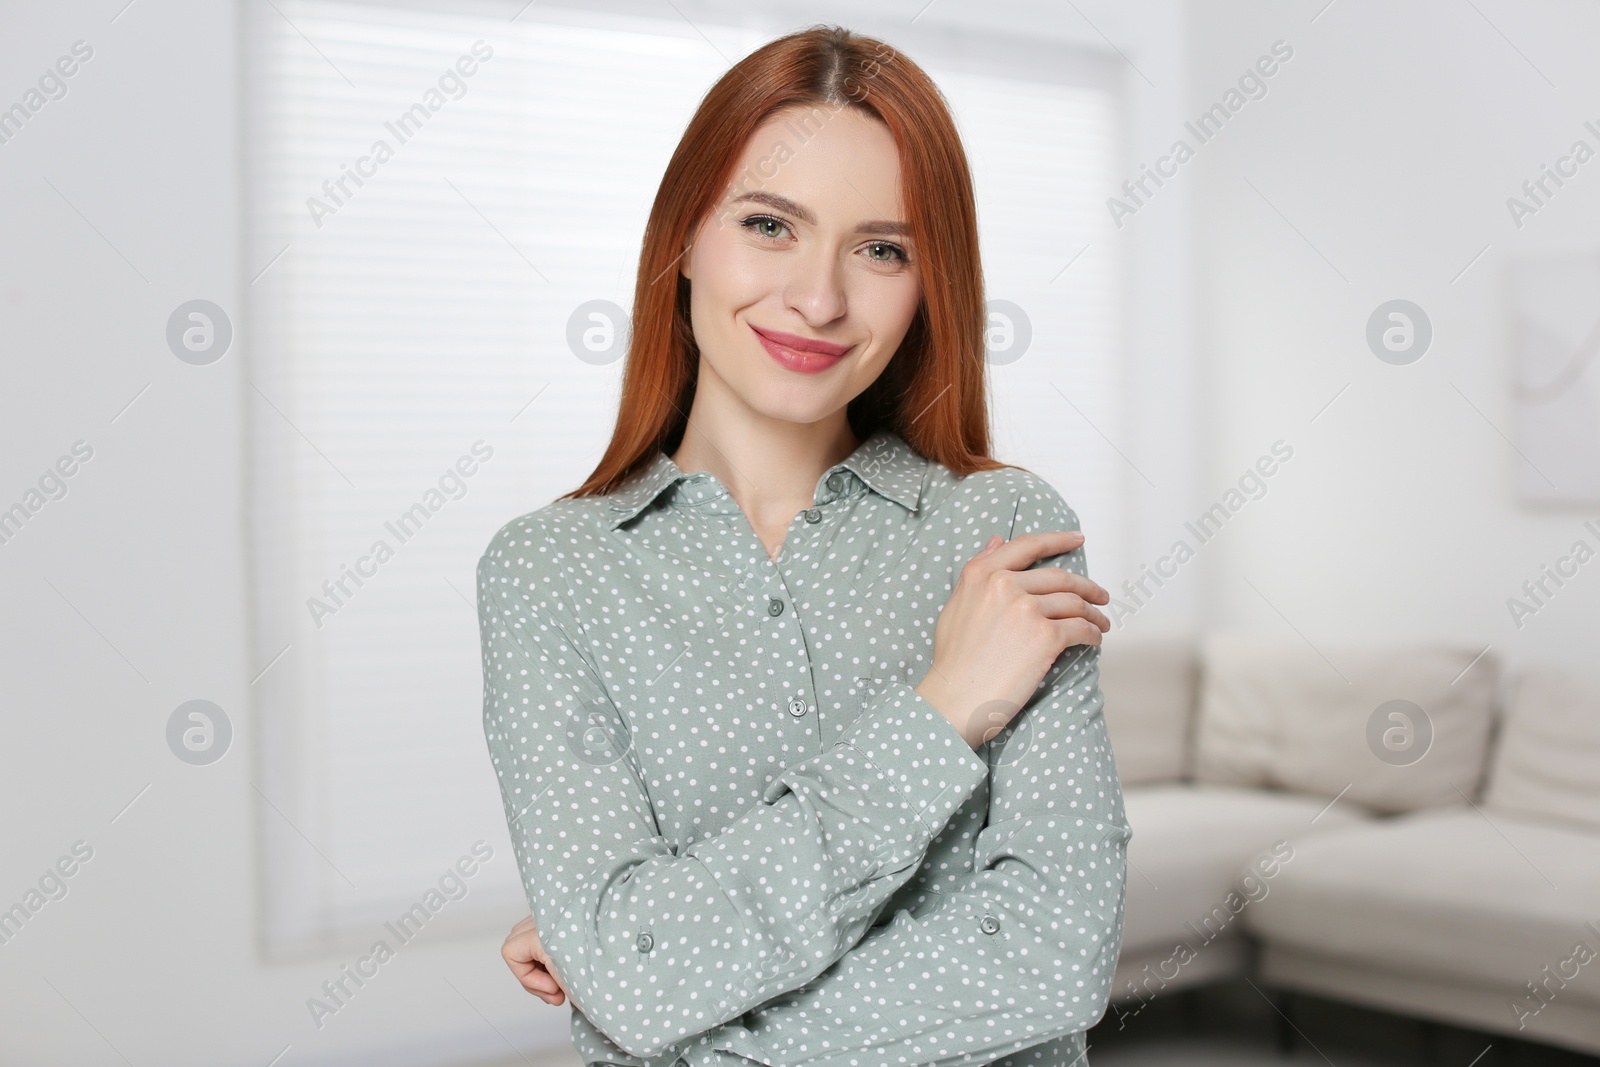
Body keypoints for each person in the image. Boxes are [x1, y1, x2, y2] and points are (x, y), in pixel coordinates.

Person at [477, 23, 1129, 1066]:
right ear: (684, 236)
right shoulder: (549, 574)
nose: (820, 298)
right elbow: (634, 965)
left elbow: (1054, 957)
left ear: (928, 284)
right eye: (771, 224)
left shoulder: (1003, 532)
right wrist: (943, 710)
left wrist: (648, 1005)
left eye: (881, 248)